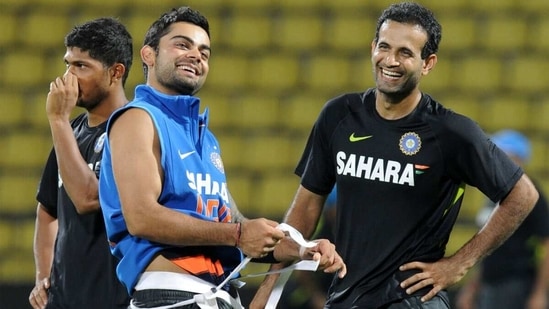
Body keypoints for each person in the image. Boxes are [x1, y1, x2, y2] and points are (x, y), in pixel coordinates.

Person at [250, 2, 539, 309]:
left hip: (411, 301)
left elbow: (523, 194)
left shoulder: (450, 133)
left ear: (428, 63)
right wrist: (267, 291)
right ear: (373, 47)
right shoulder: (338, 116)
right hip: (345, 298)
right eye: (384, 47)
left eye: (405, 52)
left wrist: (460, 263)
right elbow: (305, 209)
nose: (391, 60)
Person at [98, 6, 345, 309]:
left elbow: (231, 221)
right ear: (149, 55)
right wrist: (239, 234)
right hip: (170, 296)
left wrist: (300, 248)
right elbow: (142, 217)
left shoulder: (205, 137)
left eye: (204, 51)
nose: (196, 55)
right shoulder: (138, 118)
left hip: (217, 297)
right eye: (182, 44)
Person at [29, 18, 132, 309]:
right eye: (67, 64)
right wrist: (43, 276)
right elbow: (47, 208)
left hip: (114, 300)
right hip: (65, 300)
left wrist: (57, 119)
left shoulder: (132, 129)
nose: (68, 77)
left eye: (81, 66)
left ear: (115, 73)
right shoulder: (71, 130)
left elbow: (88, 198)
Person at [456, 130, 549, 309]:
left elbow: (547, 244)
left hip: (514, 283)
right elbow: (486, 246)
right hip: (490, 284)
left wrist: (539, 293)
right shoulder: (494, 193)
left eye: (502, 154)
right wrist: (472, 288)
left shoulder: (531, 194)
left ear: (519, 159)